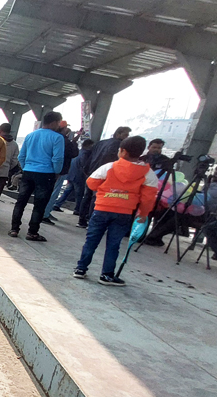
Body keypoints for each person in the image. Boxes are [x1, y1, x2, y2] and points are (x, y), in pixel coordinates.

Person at [73, 136, 159, 286]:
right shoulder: (148, 173)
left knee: (91, 240)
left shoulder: (109, 167)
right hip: (124, 213)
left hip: (101, 209)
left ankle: (81, 269)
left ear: (122, 151)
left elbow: (91, 183)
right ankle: (107, 275)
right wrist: (143, 214)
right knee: (114, 244)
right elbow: (148, 198)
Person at [142, 164, 217, 247]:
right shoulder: (212, 183)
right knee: (169, 211)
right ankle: (155, 237)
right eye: (215, 173)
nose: (215, 175)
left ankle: (153, 237)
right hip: (196, 208)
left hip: (209, 213)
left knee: (179, 216)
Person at [9, 111, 65, 241]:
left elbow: (21, 156)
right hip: (46, 174)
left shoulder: (30, 136)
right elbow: (57, 159)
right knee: (39, 204)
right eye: (58, 122)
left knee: (21, 201)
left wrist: (26, 168)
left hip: (28, 172)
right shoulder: (57, 138)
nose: (59, 125)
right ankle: (32, 232)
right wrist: (56, 172)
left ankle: (14, 229)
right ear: (54, 122)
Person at [77, 126, 132, 227]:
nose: (127, 137)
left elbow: (89, 155)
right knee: (96, 197)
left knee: (87, 196)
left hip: (92, 172)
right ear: (119, 134)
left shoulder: (100, 142)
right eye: (126, 135)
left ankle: (82, 219)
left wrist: (86, 169)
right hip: (105, 174)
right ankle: (92, 220)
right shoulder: (118, 146)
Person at [42, 122, 79, 226]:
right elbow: (72, 153)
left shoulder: (49, 137)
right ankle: (45, 214)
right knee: (53, 193)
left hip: (47, 170)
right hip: (59, 171)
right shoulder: (63, 140)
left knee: (46, 192)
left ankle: (44, 212)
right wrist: (74, 142)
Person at [0, 123, 19, 208]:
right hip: (4, 173)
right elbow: (15, 160)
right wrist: (8, 167)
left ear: (0, 130)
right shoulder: (14, 144)